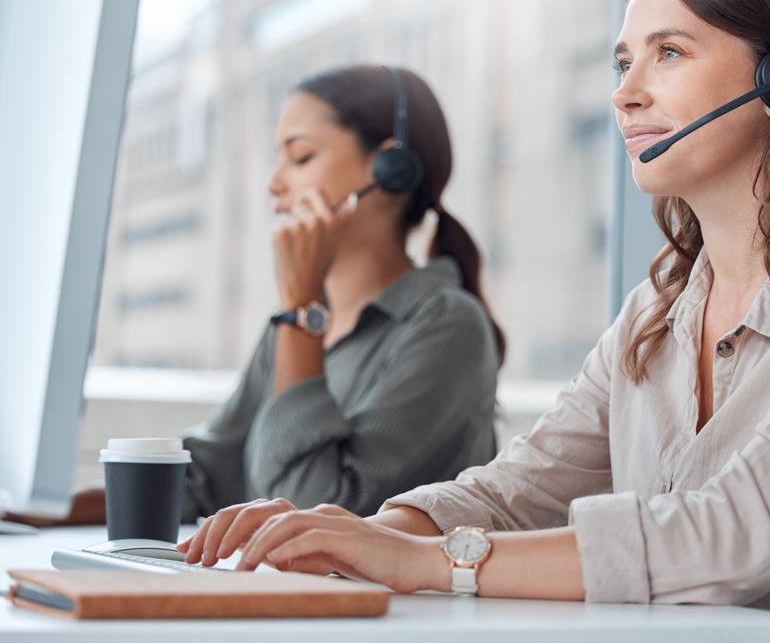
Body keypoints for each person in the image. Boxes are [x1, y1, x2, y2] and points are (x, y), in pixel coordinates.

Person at [177, 0, 770, 642]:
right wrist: (360, 532)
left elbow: (740, 531)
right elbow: (518, 487)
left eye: (668, 52)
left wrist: (429, 561)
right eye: (621, 60)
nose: (624, 90)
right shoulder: (658, 311)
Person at [20, 64, 504, 526]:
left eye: (300, 157)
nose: (275, 183)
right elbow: (205, 477)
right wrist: (37, 508)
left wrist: (300, 310)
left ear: (389, 168)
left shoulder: (447, 325)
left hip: (378, 609)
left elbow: (309, 509)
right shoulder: (299, 323)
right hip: (292, 600)